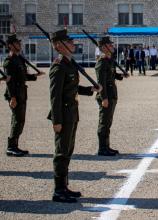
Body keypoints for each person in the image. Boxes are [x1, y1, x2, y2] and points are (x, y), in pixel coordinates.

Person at [48, 29, 102, 203]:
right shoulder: (58, 66)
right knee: (61, 152)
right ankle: (58, 190)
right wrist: (56, 121)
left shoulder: (69, 64)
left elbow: (71, 89)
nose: (73, 44)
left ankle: (64, 186)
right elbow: (55, 96)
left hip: (72, 113)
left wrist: (89, 90)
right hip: (63, 115)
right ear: (59, 45)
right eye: (69, 42)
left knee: (68, 151)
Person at [3, 34, 45, 156]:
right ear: (10, 46)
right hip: (15, 94)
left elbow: (22, 76)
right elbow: (9, 81)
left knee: (20, 120)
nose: (19, 45)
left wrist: (34, 76)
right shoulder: (9, 61)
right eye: (17, 43)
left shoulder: (18, 59)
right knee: (17, 120)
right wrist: (12, 97)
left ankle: (14, 145)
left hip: (22, 93)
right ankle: (11, 147)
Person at [95, 36, 125, 156]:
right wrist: (104, 98)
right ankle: (102, 148)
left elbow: (110, 74)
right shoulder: (102, 62)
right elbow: (101, 82)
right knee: (104, 122)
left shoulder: (108, 60)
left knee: (108, 122)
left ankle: (107, 146)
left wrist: (120, 76)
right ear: (104, 47)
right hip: (106, 96)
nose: (112, 46)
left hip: (112, 95)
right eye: (110, 45)